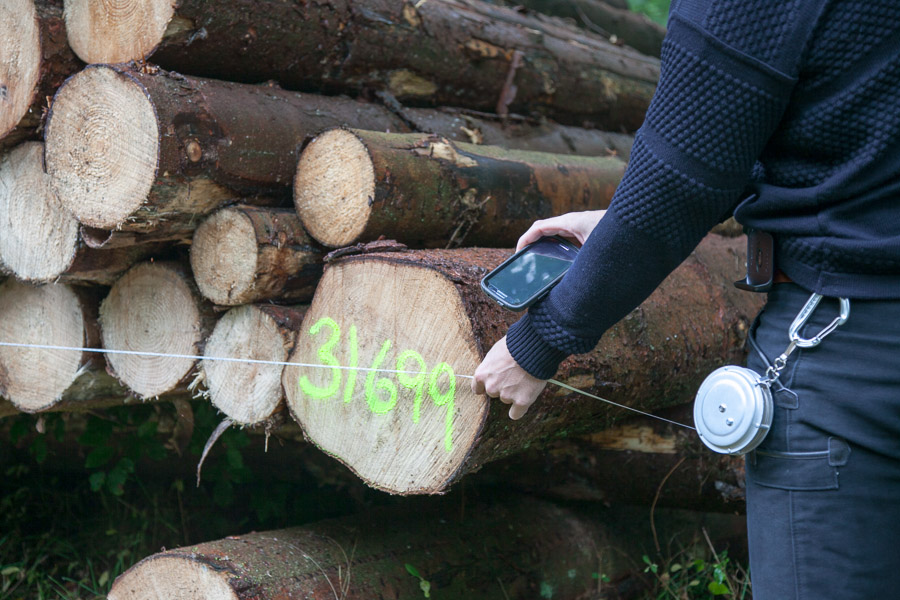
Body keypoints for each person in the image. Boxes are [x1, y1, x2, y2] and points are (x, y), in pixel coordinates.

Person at [471, 0, 900, 597]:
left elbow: (679, 179)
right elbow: (854, 124)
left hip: (848, 348)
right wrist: (618, 219)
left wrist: (538, 342)